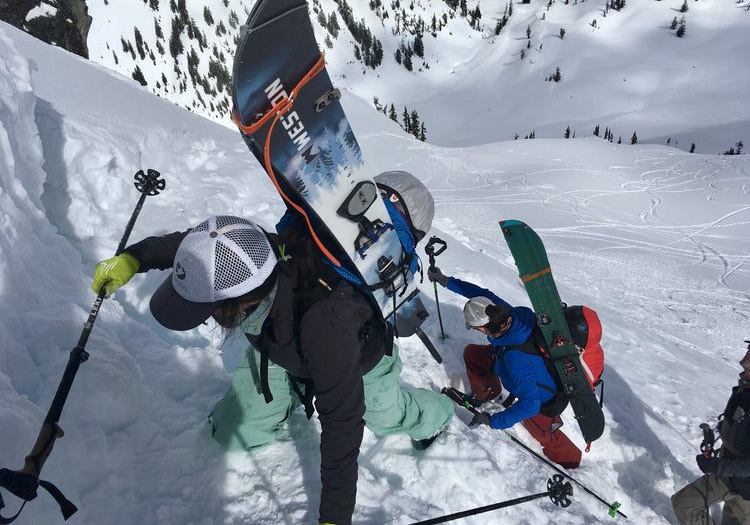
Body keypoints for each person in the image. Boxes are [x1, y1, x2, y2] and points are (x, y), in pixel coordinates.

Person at [93, 214, 454, 525]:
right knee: (234, 430)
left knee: (385, 415)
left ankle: (438, 413)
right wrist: (132, 259)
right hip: (283, 353)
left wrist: (334, 518)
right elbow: (193, 248)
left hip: (358, 361)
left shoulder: (326, 321)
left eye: (208, 311)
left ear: (236, 303)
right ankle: (290, 398)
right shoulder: (251, 252)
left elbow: (342, 429)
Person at [428, 266, 582, 469]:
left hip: (543, 396)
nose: (476, 331)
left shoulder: (515, 357)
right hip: (512, 363)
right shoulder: (504, 313)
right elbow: (482, 294)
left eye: (475, 328)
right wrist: (447, 281)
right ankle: (488, 394)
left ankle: (572, 461)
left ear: (484, 328)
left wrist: (494, 421)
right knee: (473, 354)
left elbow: (530, 405)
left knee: (539, 428)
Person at [671, 347, 750, 524]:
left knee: (685, 504)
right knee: (685, 504)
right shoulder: (745, 388)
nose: (746, 355)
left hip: (741, 483)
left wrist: (719, 466)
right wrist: (720, 434)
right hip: (730, 470)